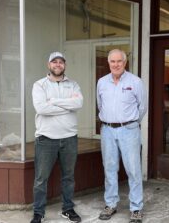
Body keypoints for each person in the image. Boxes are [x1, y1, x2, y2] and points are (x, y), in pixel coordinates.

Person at [30, 52, 83, 223]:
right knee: (40, 179)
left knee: (68, 177)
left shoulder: (73, 84)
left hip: (69, 138)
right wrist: (67, 105)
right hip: (46, 139)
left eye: (61, 62)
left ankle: (67, 209)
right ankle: (38, 212)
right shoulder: (39, 85)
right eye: (54, 62)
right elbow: (42, 109)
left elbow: (79, 103)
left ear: (64, 65)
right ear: (49, 65)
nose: (58, 64)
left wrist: (52, 101)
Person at [96, 49, 147, 223]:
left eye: (119, 61)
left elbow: (142, 108)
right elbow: (100, 104)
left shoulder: (136, 82)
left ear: (125, 63)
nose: (116, 64)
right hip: (107, 130)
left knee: (133, 169)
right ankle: (111, 204)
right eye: (112, 61)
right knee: (109, 168)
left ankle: (136, 208)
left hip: (129, 130)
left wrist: (129, 123)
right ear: (108, 63)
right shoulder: (102, 82)